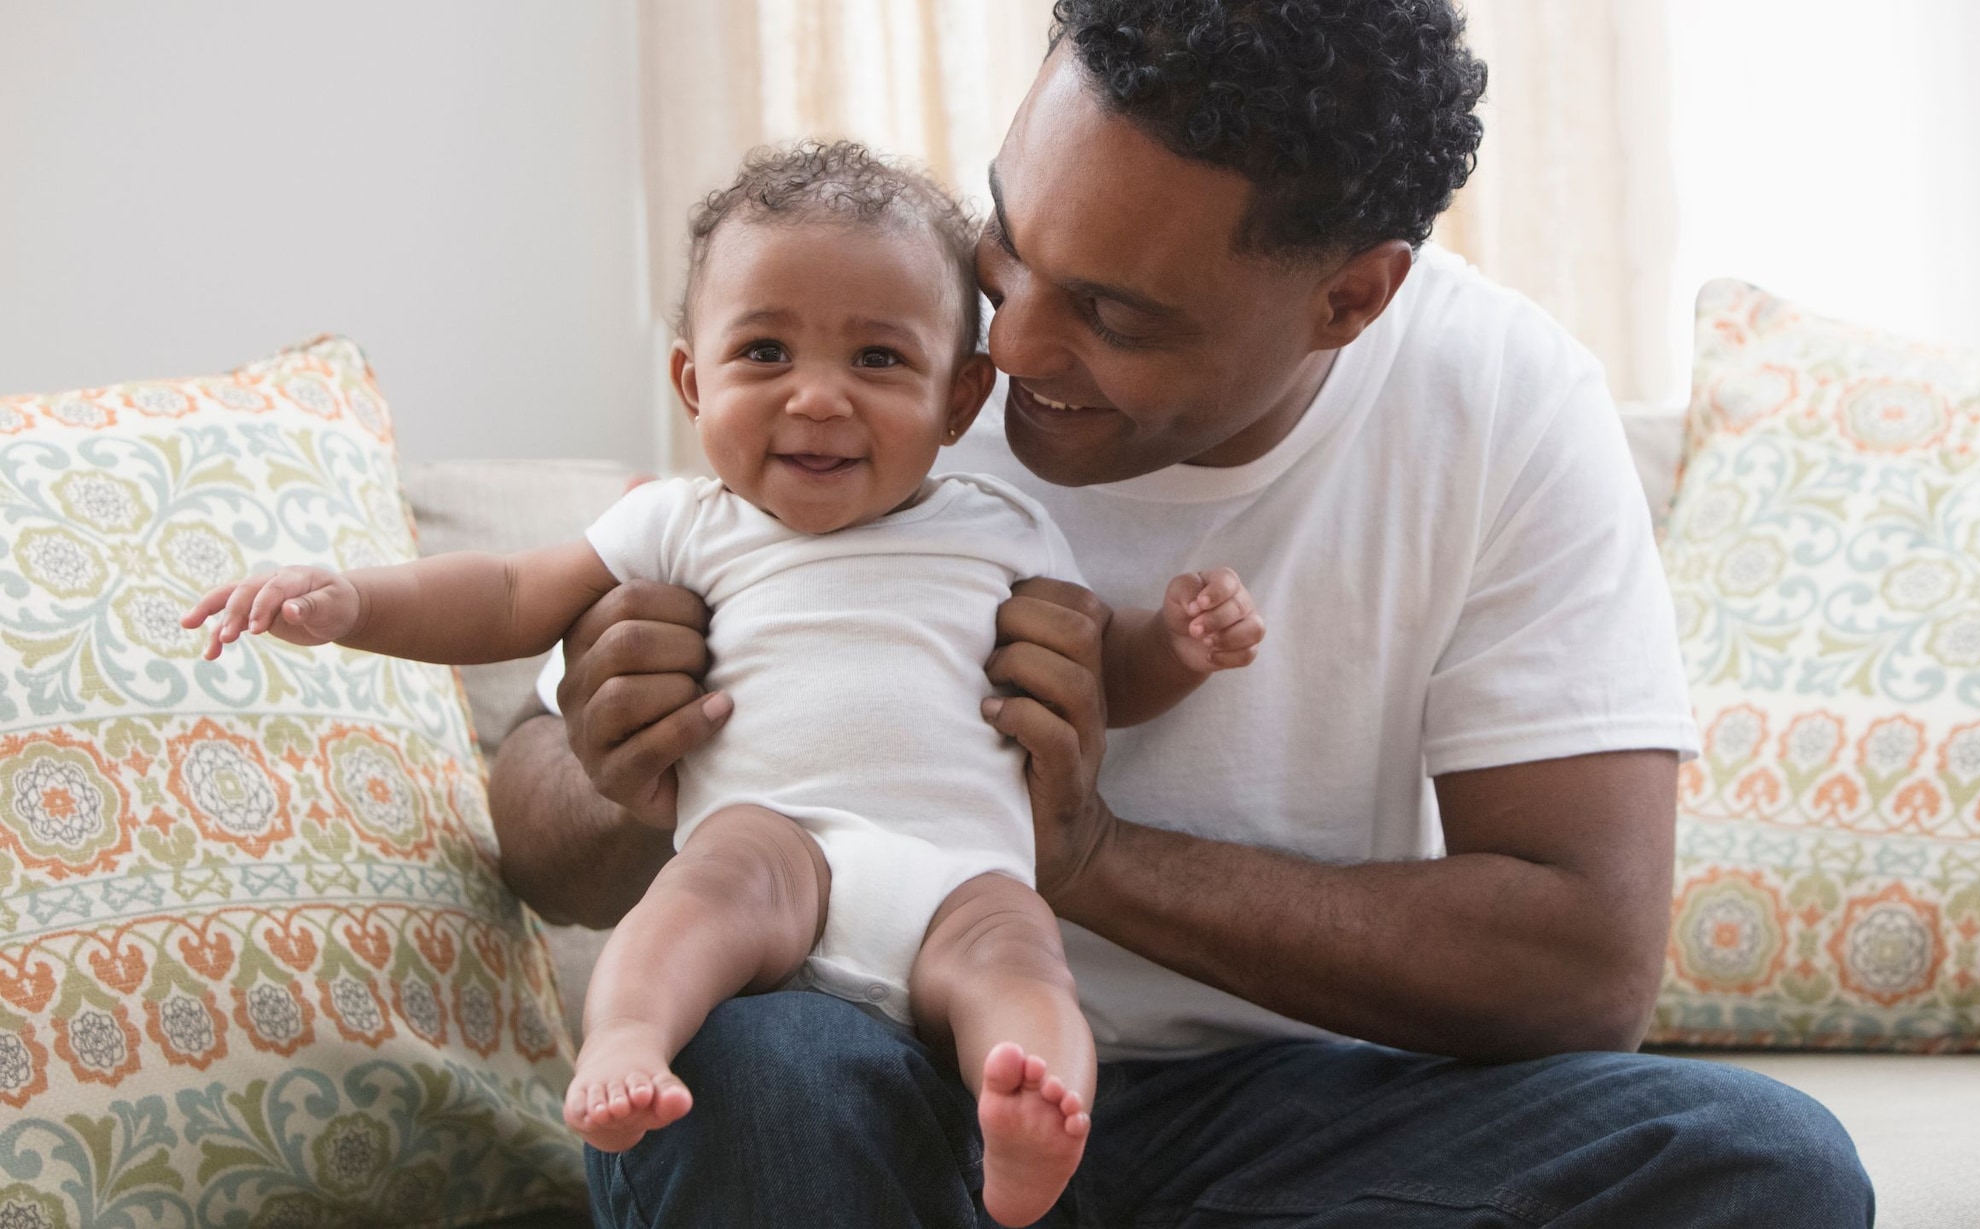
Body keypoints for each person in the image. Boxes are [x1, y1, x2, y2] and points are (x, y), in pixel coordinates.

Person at [495, 2, 1878, 1226]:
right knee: (758, 1068)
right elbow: (540, 833)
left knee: (1756, 1163)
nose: (1011, 347)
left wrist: (1091, 853)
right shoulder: (881, 337)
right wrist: (628, 769)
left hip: (1282, 1116)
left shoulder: (1500, 404)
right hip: (878, 1072)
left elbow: (1577, 965)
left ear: (1347, 298)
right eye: (1008, 240)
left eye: (1113, 315)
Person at [181, 141, 1265, 1228]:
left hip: (959, 873)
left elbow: (1098, 674)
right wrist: (354, 602)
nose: (819, 397)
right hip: (776, 847)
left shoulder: (1002, 526)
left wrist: (1176, 647)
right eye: (764, 351)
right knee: (698, 895)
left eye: (879, 358)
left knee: (1023, 961)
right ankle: (627, 1039)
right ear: (694, 382)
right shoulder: (682, 524)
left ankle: (1030, 1109)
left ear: (958, 397)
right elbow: (508, 593)